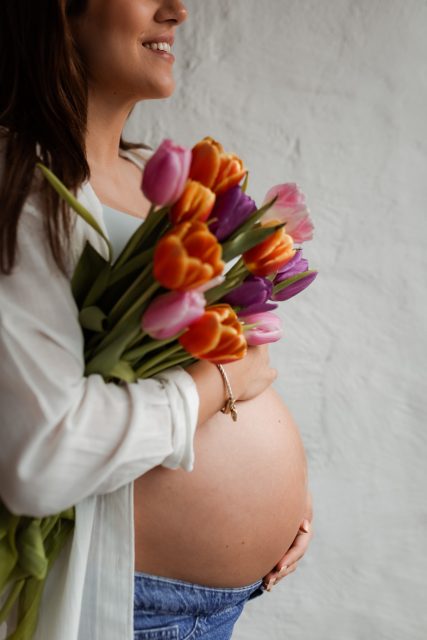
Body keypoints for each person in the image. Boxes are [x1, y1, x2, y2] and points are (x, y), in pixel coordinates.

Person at [0, 1, 313, 639]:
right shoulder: (19, 186)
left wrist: (281, 503)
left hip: (212, 606)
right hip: (128, 608)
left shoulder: (155, 181)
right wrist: (223, 381)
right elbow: (48, 453)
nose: (177, 10)